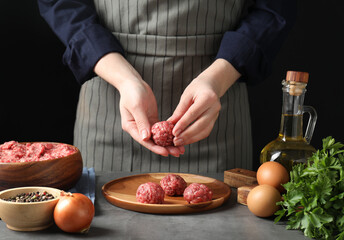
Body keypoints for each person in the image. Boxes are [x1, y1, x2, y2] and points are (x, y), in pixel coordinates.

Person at [37, 0, 296, 173]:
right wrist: (125, 79)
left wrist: (216, 81)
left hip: (218, 110)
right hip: (111, 110)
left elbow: (275, 8)